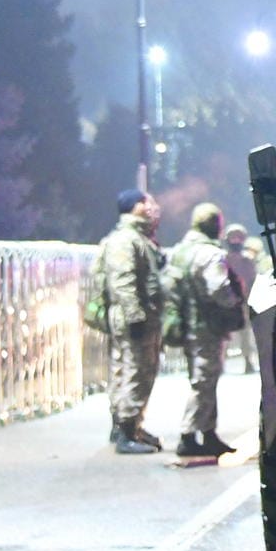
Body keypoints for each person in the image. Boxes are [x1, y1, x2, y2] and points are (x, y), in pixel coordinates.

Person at [165, 204, 245, 457]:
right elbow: (218, 289)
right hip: (207, 326)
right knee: (204, 381)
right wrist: (235, 302)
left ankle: (209, 432)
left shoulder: (179, 252)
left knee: (202, 378)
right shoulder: (210, 254)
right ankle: (188, 435)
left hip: (186, 324)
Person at [94, 189, 166, 455]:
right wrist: (135, 317)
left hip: (134, 314)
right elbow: (123, 281)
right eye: (148, 202)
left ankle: (128, 425)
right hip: (134, 316)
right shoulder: (126, 240)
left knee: (126, 371)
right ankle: (126, 431)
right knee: (137, 372)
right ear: (137, 206)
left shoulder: (137, 238)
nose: (153, 207)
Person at [221, 224, 259, 374]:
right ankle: (221, 362)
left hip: (243, 301)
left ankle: (248, 360)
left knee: (244, 334)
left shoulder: (247, 260)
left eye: (238, 238)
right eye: (233, 237)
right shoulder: (222, 258)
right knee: (224, 334)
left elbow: (253, 280)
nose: (235, 241)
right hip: (226, 300)